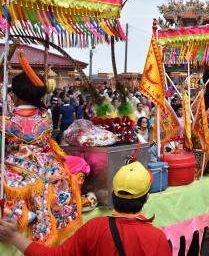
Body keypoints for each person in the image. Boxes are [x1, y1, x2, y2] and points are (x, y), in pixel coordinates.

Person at [0, 161, 172, 255]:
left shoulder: (95, 228)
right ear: (147, 197)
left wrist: (15, 237)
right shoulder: (156, 237)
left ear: (113, 192)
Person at [0, 71, 81, 245]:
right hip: (48, 165)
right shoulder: (46, 116)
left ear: (15, 96)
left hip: (18, 165)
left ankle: (16, 211)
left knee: (7, 180)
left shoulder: (6, 121)